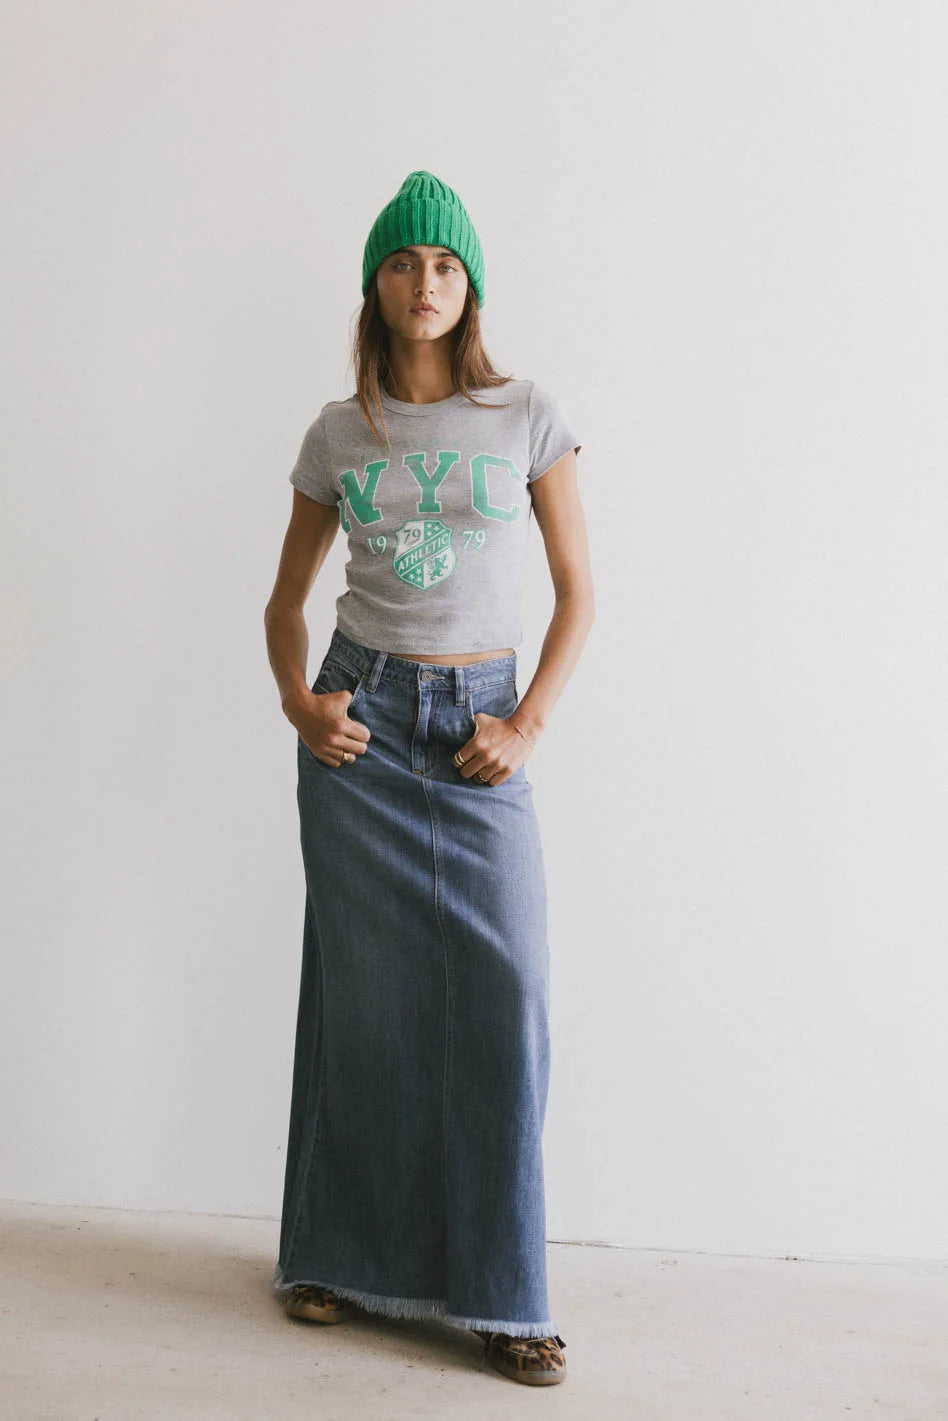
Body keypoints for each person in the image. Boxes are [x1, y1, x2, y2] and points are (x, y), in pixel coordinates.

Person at [263, 169, 594, 1388]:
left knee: (508, 995)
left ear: (471, 287)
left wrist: (530, 722)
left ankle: (508, 1296)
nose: (425, 281)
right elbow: (284, 602)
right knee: (364, 1000)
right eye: (404, 261)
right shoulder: (338, 432)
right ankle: (331, 1259)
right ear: (376, 283)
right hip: (363, 728)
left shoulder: (526, 414)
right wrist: (301, 702)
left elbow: (580, 593)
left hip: (477, 727)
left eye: (446, 264)